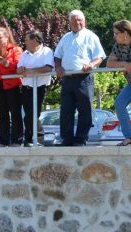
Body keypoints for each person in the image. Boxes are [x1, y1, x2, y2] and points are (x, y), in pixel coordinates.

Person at [54, 9, 105, 146]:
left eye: (80, 20)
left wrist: (91, 64)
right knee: (66, 110)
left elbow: (99, 57)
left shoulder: (91, 36)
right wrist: (58, 67)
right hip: (67, 78)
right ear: (69, 22)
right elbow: (57, 56)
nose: (77, 22)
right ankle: (67, 139)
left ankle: (81, 139)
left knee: (85, 110)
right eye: (74, 20)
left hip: (84, 77)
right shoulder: (66, 37)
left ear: (84, 21)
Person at [0, 27, 24, 147]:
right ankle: (2, 141)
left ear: (6, 37)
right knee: (1, 113)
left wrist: (7, 63)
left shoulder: (15, 49)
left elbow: (19, 66)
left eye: (0, 37)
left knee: (15, 113)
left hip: (13, 84)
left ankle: (17, 140)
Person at [17, 30, 54, 147]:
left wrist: (31, 71)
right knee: (27, 115)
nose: (25, 42)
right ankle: (28, 139)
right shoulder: (25, 53)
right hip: (26, 87)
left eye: (27, 40)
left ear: (35, 40)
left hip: (40, 87)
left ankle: (38, 138)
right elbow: (19, 69)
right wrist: (21, 70)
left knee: (34, 113)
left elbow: (48, 68)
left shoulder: (46, 51)